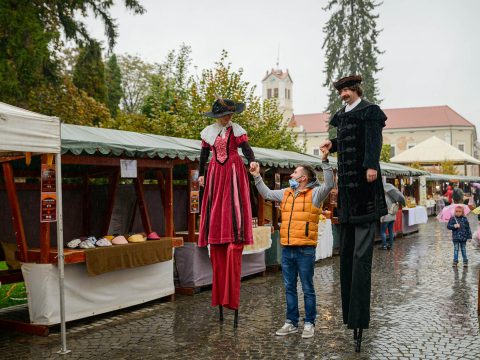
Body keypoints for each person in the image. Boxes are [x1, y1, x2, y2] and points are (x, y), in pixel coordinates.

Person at [320, 75, 387, 352]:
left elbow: (373, 140)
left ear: (356, 90)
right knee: (346, 256)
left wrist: (371, 165)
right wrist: (331, 145)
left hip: (365, 192)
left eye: (347, 90)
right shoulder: (343, 115)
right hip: (347, 196)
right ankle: (350, 317)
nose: (343, 95)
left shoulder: (369, 112)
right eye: (341, 91)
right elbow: (345, 140)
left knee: (361, 258)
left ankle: (360, 318)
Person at [249, 154, 333, 339]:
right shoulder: (286, 193)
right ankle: (291, 322)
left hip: (305, 249)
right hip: (287, 248)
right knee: (289, 287)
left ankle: (309, 323)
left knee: (307, 287)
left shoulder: (315, 194)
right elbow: (267, 194)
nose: (291, 175)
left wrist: (325, 161)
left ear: (304, 178)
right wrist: (256, 176)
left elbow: (329, 185)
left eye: (295, 173)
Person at [198, 97, 257, 328]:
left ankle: (233, 227)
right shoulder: (209, 133)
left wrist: (252, 161)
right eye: (224, 115)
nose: (228, 119)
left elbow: (246, 149)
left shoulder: (237, 131)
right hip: (215, 170)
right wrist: (201, 173)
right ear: (217, 117)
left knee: (232, 198)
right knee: (215, 200)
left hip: (233, 167)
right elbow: (203, 155)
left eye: (230, 115)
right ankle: (216, 228)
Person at [379, 182, 406, 250]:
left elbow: (383, 208)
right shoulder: (394, 198)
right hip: (393, 217)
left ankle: (384, 246)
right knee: (391, 231)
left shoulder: (385, 198)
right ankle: (390, 245)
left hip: (386, 217)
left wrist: (382, 218)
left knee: (383, 231)